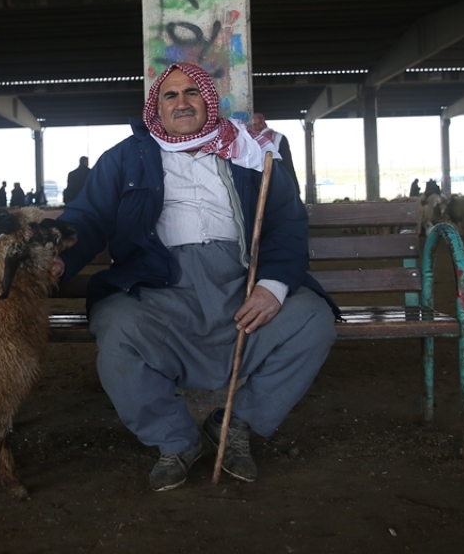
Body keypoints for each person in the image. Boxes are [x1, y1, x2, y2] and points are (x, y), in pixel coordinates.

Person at [55, 62, 338, 492]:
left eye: (192, 93)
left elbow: (286, 223)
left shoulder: (249, 151)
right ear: (157, 107)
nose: (182, 102)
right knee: (118, 331)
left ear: (209, 100)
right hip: (159, 290)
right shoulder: (127, 157)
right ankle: (176, 441)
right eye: (170, 95)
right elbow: (88, 218)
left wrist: (272, 286)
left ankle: (235, 423)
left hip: (239, 289)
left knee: (313, 319)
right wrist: (57, 259)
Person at [247, 113, 299, 192]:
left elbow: (288, 164)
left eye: (259, 123)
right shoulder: (248, 141)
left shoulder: (278, 138)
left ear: (264, 123)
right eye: (254, 124)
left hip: (278, 180)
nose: (257, 127)